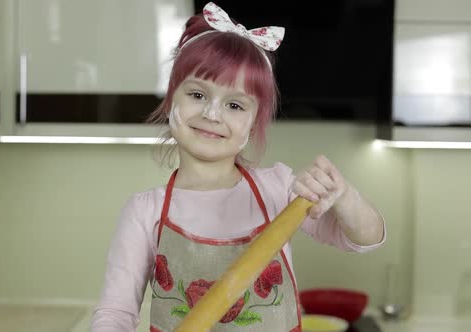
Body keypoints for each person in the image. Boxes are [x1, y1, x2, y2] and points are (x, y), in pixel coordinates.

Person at [90, 2, 385, 331]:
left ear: (253, 122)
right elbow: (116, 313)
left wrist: (345, 197)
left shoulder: (280, 191)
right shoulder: (145, 211)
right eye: (198, 95)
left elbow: (364, 239)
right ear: (173, 97)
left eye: (234, 104)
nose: (212, 114)